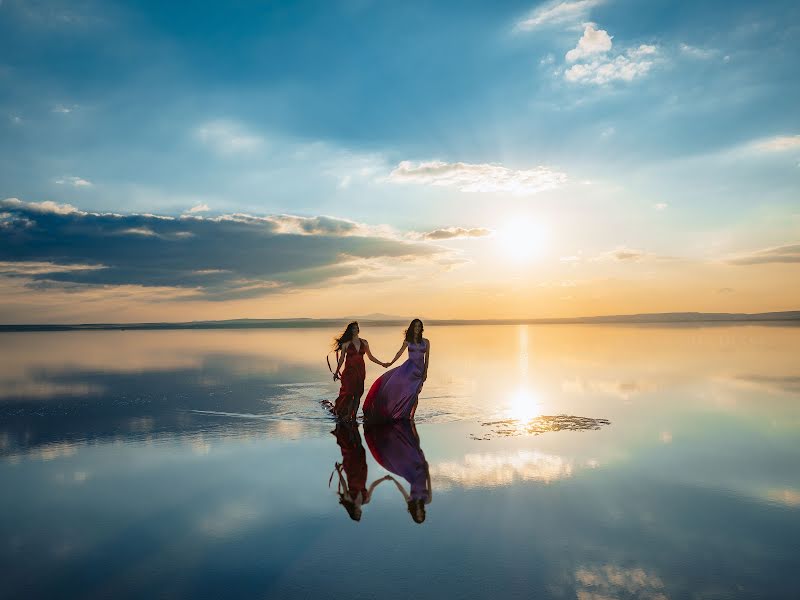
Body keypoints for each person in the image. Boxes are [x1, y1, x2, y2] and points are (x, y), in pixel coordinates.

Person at [364, 419, 432, 524]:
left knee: (407, 448)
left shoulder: (410, 502)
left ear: (415, 514)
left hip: (411, 473)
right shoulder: (427, 500)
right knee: (416, 444)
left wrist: (393, 479)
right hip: (421, 470)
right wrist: (427, 469)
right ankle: (410, 423)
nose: (419, 513)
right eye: (421, 515)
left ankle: (393, 429)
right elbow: (429, 483)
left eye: (417, 515)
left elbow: (401, 490)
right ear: (423, 513)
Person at [362, 318, 429, 422]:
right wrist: (391, 363)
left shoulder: (426, 342)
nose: (417, 328)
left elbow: (427, 359)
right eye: (415, 326)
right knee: (410, 392)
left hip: (419, 372)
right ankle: (403, 413)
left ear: (421, 328)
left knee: (415, 393)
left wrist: (425, 372)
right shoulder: (408, 341)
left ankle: (412, 416)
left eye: (419, 326)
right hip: (409, 370)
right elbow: (399, 353)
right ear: (412, 328)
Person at [329, 422, 390, 521]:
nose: (359, 512)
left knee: (350, 449)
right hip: (362, 470)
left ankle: (344, 428)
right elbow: (373, 485)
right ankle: (353, 428)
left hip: (351, 470)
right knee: (360, 449)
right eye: (359, 514)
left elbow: (344, 485)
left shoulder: (349, 499)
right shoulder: (366, 500)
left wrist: (339, 472)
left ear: (352, 512)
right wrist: (384, 478)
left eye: (356, 514)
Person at [327, 321, 386, 421]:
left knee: (358, 394)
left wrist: (382, 364)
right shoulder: (346, 344)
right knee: (349, 393)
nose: (356, 329)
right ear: (350, 330)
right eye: (353, 328)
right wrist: (337, 372)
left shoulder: (364, 342)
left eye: (357, 327)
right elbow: (341, 359)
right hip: (349, 372)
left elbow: (370, 357)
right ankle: (349, 414)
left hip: (360, 371)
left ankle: (353, 416)